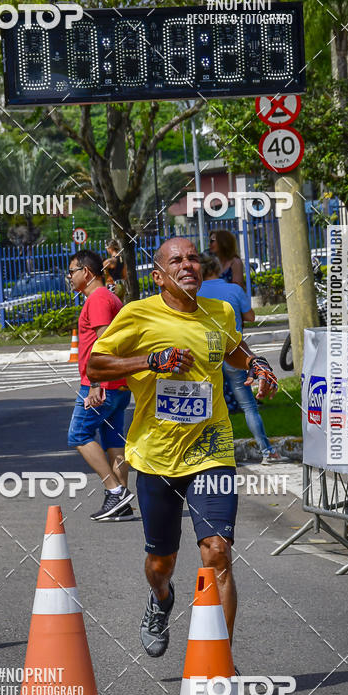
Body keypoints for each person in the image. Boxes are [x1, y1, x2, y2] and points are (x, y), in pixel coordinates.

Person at [87, 237, 277, 657]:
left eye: (193, 257)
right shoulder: (138, 315)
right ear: (158, 276)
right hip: (156, 456)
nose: (189, 264)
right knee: (162, 564)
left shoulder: (220, 311)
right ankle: (161, 600)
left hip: (211, 450)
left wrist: (257, 365)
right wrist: (149, 361)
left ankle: (220, 665)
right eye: (177, 260)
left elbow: (233, 349)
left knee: (217, 551)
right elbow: (95, 365)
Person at [66, 249, 135, 521]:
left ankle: (115, 490)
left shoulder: (97, 299)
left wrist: (95, 382)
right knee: (113, 440)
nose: (69, 277)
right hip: (116, 383)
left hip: (100, 383)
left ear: (87, 272)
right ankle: (123, 504)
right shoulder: (109, 296)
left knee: (79, 435)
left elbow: (103, 343)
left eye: (72, 271)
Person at [198, 253, 283, 464]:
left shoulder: (195, 292)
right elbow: (250, 317)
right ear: (218, 267)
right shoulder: (233, 290)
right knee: (248, 406)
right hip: (235, 352)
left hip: (207, 356)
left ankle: (209, 452)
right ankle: (267, 451)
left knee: (206, 407)